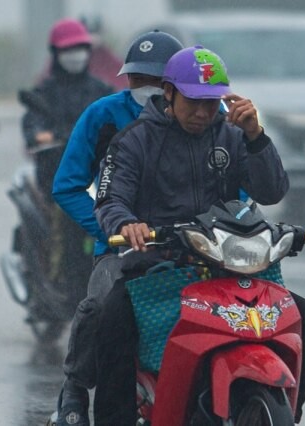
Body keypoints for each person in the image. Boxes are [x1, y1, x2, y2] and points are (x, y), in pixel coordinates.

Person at [91, 46, 305, 424]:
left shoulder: (233, 137)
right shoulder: (134, 141)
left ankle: (288, 411)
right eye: (193, 101)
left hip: (229, 266)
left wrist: (256, 136)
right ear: (168, 92)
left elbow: (272, 191)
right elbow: (109, 199)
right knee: (112, 321)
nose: (202, 112)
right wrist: (125, 224)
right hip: (157, 269)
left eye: (211, 102)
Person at [48, 30, 183, 426]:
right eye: (136, 79)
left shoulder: (203, 115)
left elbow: (239, 187)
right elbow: (67, 184)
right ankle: (73, 389)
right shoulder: (104, 115)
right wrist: (111, 229)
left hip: (192, 244)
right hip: (122, 247)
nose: (145, 89)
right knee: (102, 307)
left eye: (155, 81)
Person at [21, 18, 112, 292]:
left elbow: (120, 118)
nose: (75, 55)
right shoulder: (45, 93)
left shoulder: (101, 90)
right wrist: (40, 134)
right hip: (58, 177)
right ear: (56, 54)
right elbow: (32, 121)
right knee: (68, 219)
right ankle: (59, 277)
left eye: (80, 48)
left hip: (100, 176)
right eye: (68, 49)